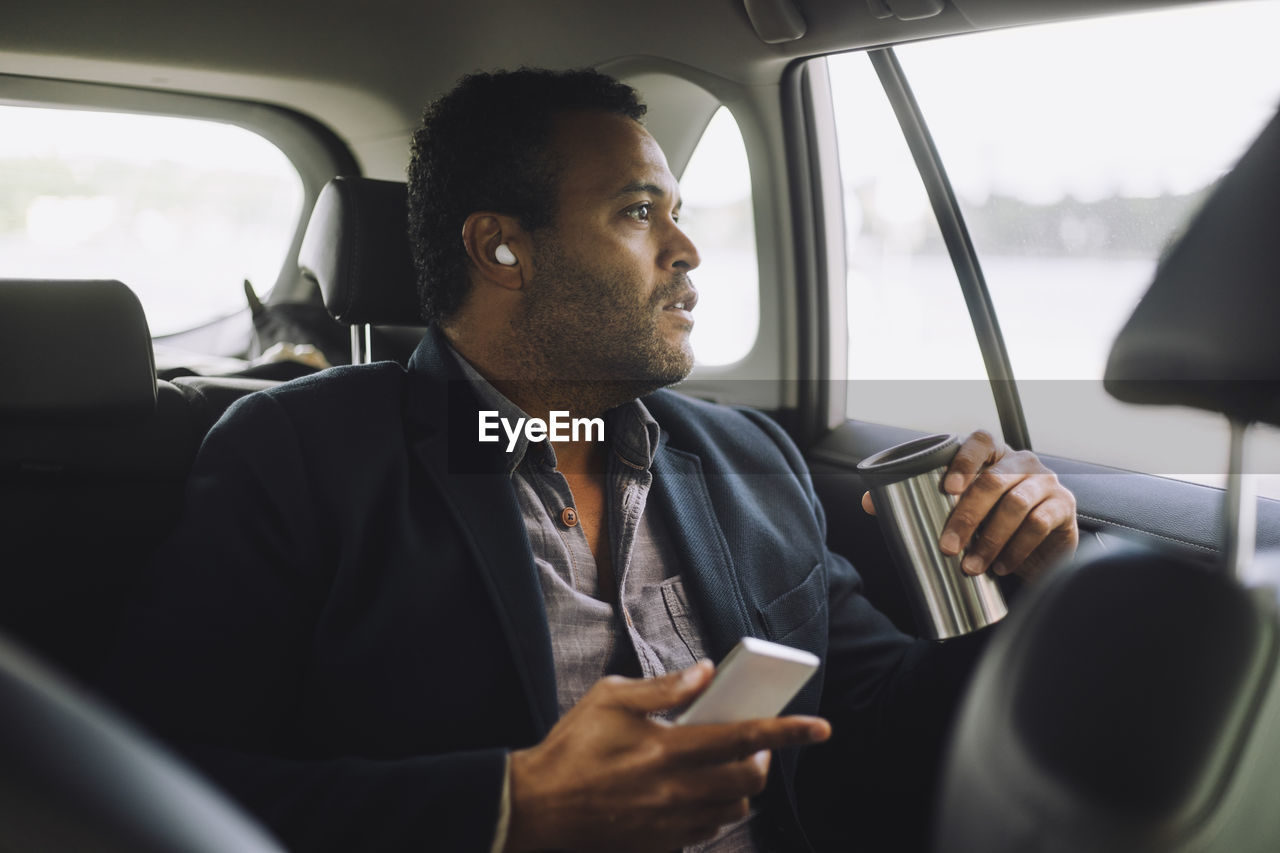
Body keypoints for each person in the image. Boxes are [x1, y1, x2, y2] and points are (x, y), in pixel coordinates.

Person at [108, 68, 1078, 853]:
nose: (687, 249)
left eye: (676, 211)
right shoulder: (301, 457)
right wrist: (506, 808)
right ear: (499, 250)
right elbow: (140, 781)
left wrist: (1052, 588)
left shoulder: (746, 459)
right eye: (637, 213)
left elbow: (870, 710)